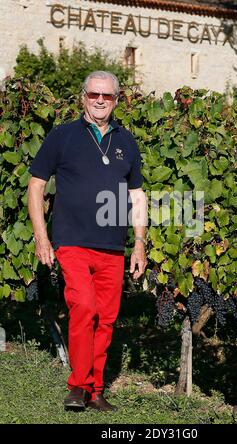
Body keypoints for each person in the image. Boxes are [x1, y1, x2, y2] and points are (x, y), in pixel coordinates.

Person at [28, 71, 147, 412]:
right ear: (82, 97)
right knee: (83, 308)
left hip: (113, 246)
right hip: (73, 242)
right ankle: (78, 387)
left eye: (107, 96)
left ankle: (95, 390)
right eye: (94, 93)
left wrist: (139, 242)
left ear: (116, 101)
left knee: (107, 319)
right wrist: (41, 236)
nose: (99, 100)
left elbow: (137, 194)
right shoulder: (62, 136)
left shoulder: (127, 141)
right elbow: (36, 185)